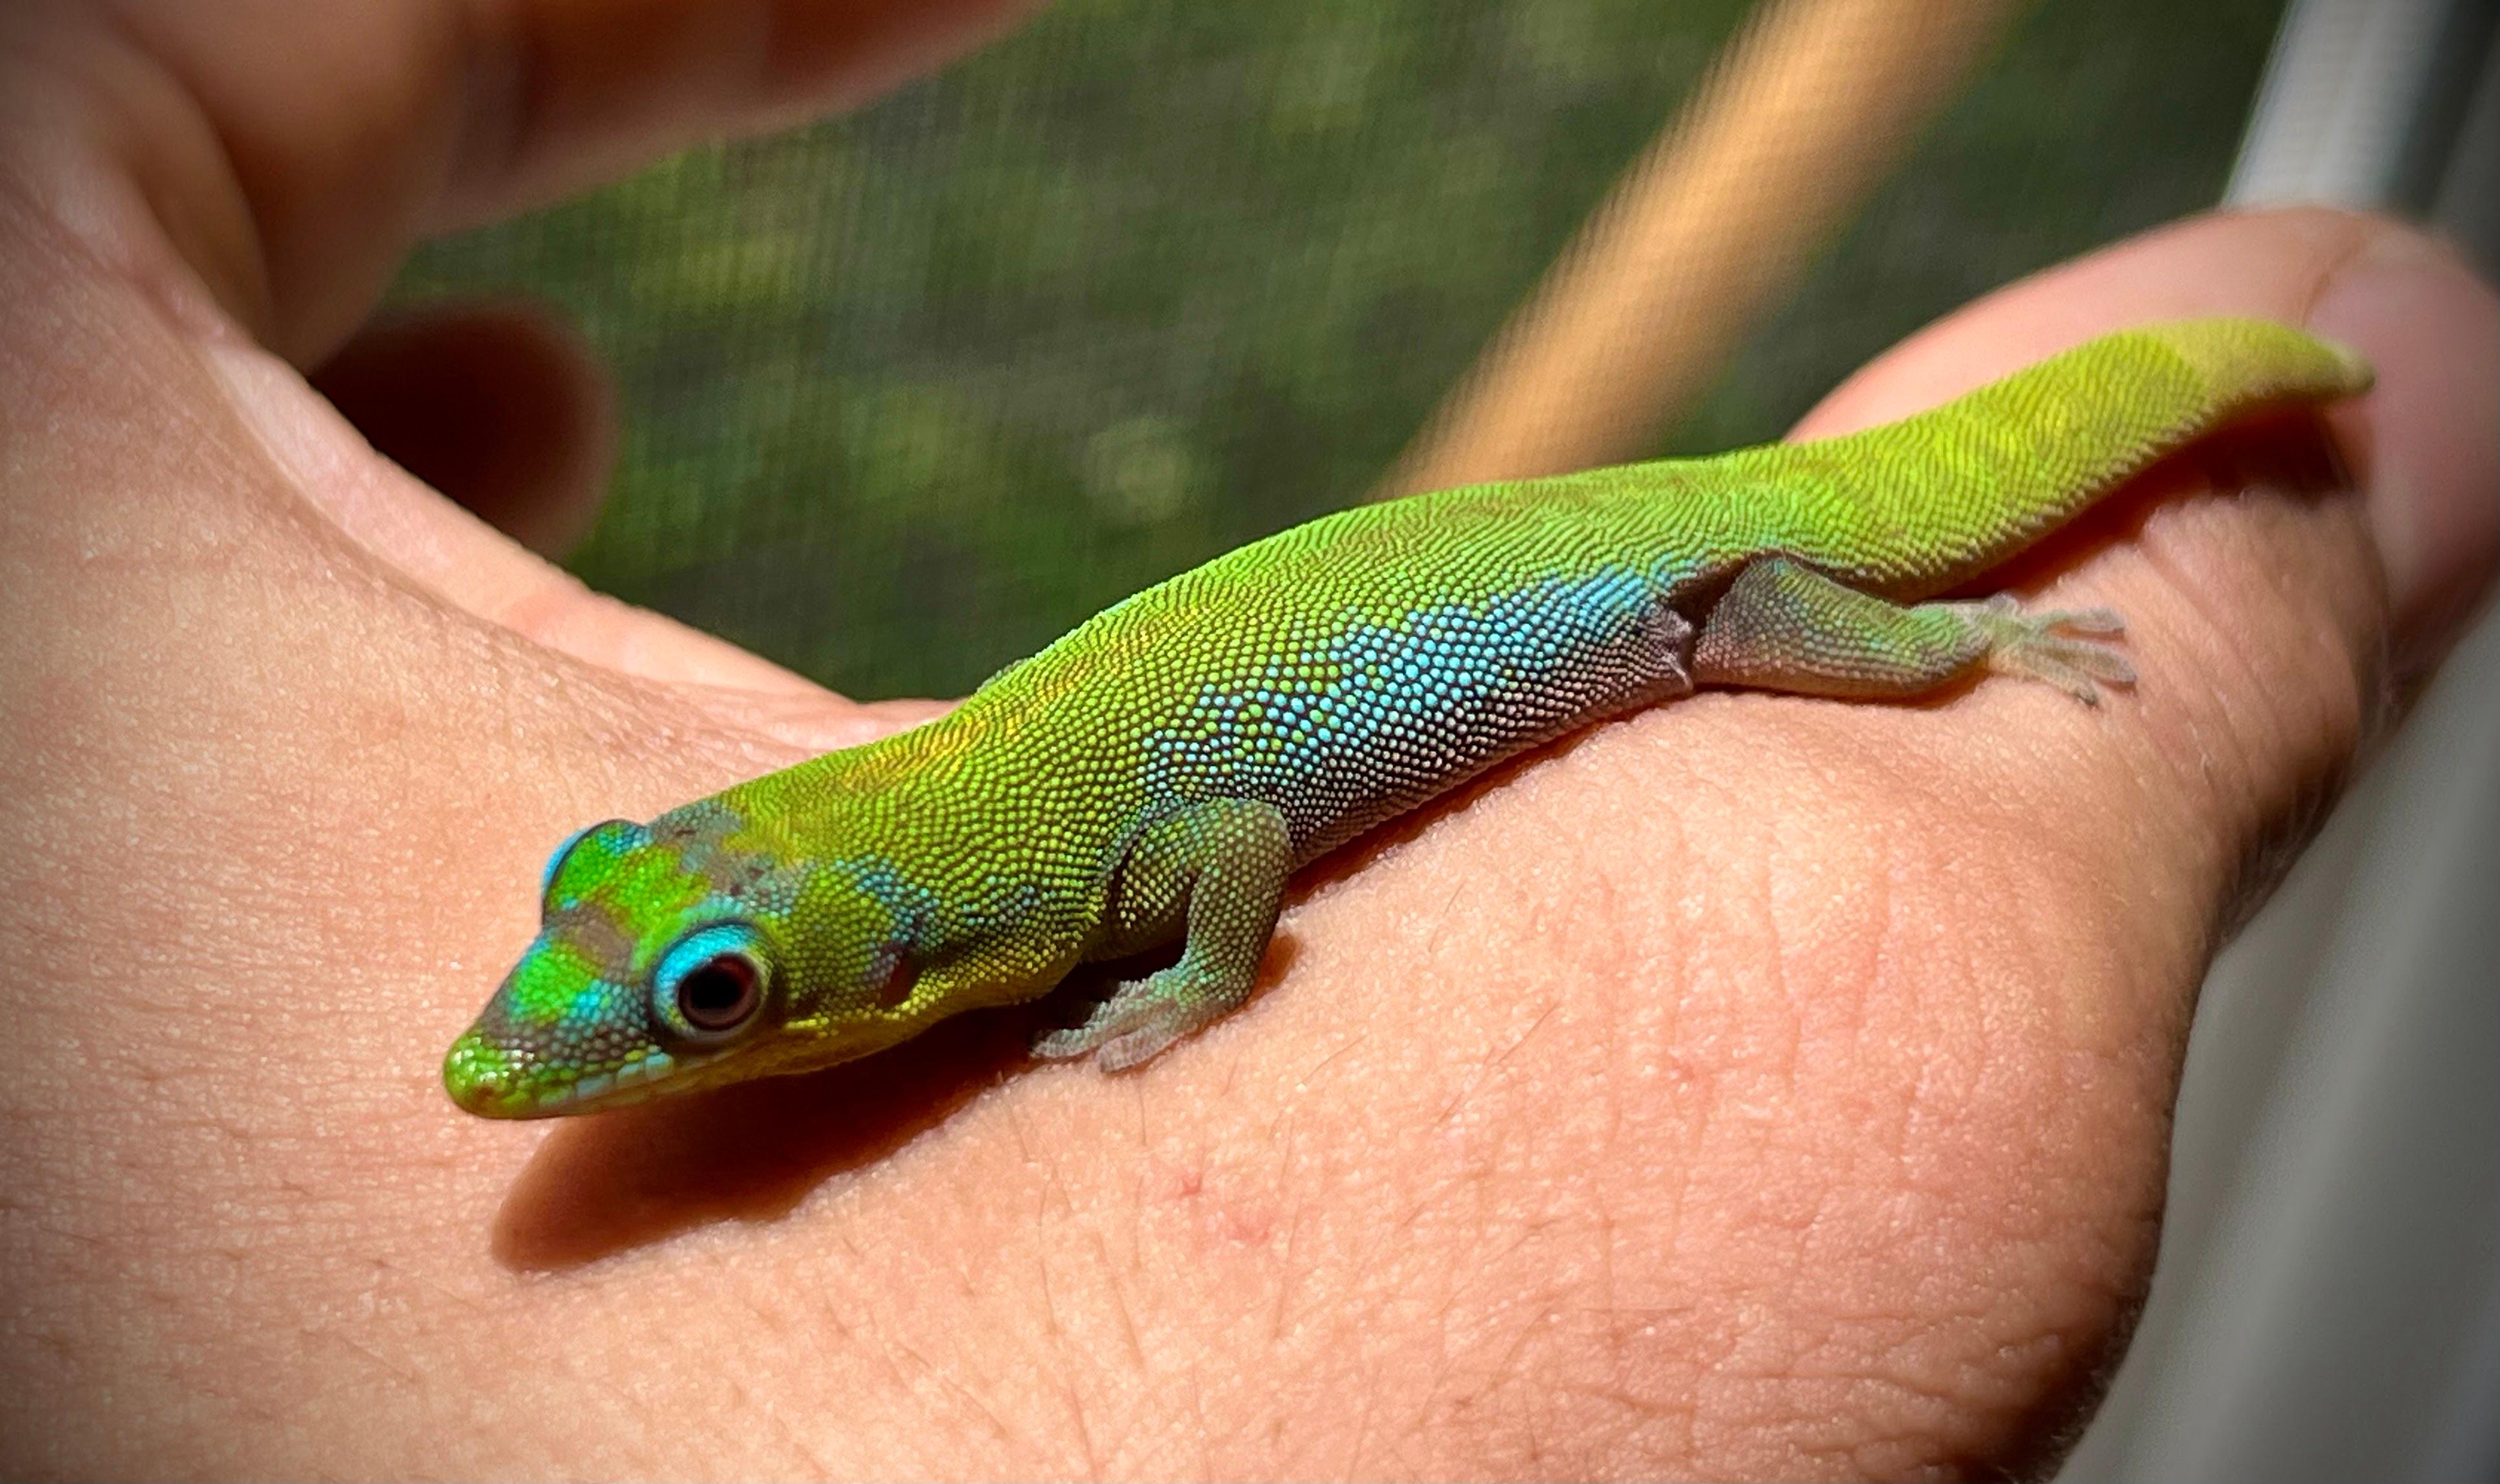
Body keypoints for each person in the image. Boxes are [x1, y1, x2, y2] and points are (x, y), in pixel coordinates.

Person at [0, 2, 2491, 1477]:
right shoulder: (939, 855)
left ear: (850, 956)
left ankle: (1996, 611)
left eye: (706, 994)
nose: (566, 1038)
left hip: (1720, 578)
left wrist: (1190, 991)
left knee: (1882, 595)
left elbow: (1211, 835)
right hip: (1615, 537)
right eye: (660, 969)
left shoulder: (1010, 871)